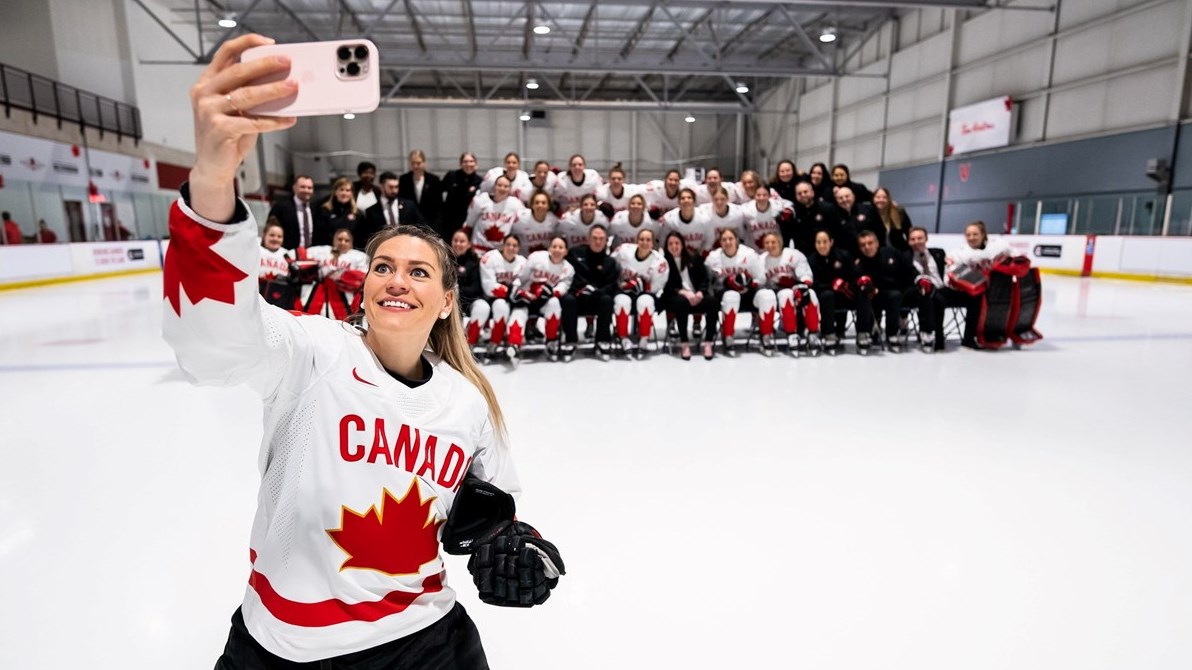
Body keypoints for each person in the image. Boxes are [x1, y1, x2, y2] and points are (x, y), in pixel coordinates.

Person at [170, 35, 561, 669]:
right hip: (283, 649)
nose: (397, 280)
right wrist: (213, 181)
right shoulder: (312, 353)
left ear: (445, 302)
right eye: (383, 266)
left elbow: (493, 507)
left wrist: (514, 543)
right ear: (365, 285)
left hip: (424, 641)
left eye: (418, 272)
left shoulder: (466, 403)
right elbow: (212, 345)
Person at [705, 227, 775, 357]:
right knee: (731, 295)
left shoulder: (749, 254)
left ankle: (766, 335)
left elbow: (761, 278)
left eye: (730, 239)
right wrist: (725, 282)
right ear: (720, 242)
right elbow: (708, 282)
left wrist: (750, 282)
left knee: (768, 295)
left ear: (736, 240)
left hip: (748, 293)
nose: (728, 242)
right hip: (726, 295)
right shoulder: (713, 257)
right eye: (724, 240)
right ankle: (728, 336)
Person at [945, 220, 1012, 349]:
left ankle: (996, 333)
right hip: (968, 292)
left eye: (975, 234)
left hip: (993, 292)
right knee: (975, 299)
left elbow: (1014, 255)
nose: (971, 237)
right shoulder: (959, 253)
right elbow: (951, 275)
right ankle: (970, 337)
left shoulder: (998, 246)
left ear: (983, 234)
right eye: (968, 235)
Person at [808, 230, 873, 355]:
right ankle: (829, 334)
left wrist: (860, 281)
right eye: (818, 242)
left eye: (825, 242)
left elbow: (854, 274)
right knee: (827, 295)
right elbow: (813, 284)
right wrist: (831, 285)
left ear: (831, 242)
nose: (822, 245)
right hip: (826, 299)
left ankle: (863, 332)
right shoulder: (812, 260)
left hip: (846, 294)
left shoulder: (843, 255)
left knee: (863, 293)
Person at [561, 225, 619, 362]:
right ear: (588, 239)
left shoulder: (610, 262)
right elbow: (565, 273)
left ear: (606, 241)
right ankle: (570, 341)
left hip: (598, 299)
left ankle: (602, 341)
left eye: (601, 239)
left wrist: (599, 292)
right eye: (594, 238)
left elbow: (612, 285)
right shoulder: (575, 253)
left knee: (607, 300)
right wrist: (578, 289)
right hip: (578, 297)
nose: (598, 242)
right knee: (568, 299)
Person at [853, 229, 918, 352]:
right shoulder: (857, 262)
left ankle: (892, 333)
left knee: (895, 295)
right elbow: (853, 281)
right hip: (867, 296)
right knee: (862, 294)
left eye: (870, 243)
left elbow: (909, 271)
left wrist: (920, 279)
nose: (867, 247)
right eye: (863, 245)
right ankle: (862, 333)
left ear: (877, 243)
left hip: (888, 293)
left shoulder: (892, 253)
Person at [760, 231, 822, 356]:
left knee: (811, 294)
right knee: (785, 294)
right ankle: (791, 334)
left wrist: (799, 285)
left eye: (773, 242)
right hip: (775, 293)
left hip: (796, 288)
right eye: (767, 243)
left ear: (780, 242)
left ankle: (813, 333)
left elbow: (805, 274)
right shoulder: (761, 260)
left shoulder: (794, 255)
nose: (770, 245)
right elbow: (760, 282)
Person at [611, 228, 669, 359]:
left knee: (645, 302)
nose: (644, 242)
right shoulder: (624, 251)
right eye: (642, 239)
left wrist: (640, 285)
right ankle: (623, 339)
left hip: (645, 293)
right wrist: (619, 284)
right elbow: (610, 264)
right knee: (622, 301)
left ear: (653, 243)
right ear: (637, 241)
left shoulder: (660, 262)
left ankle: (644, 339)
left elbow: (657, 287)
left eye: (648, 240)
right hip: (624, 291)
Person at [516, 236, 575, 362]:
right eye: (554, 246)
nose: (557, 250)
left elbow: (564, 286)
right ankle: (513, 342)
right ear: (549, 248)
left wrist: (551, 292)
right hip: (527, 298)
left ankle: (551, 340)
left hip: (545, 301)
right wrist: (520, 291)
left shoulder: (568, 269)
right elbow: (522, 277)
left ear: (566, 251)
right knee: (517, 310)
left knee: (554, 303)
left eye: (561, 247)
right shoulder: (536, 258)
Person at [660, 231, 717, 360]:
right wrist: (684, 293)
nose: (674, 246)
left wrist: (700, 292)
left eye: (677, 243)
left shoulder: (694, 258)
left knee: (712, 302)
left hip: (696, 295)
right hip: (675, 297)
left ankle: (708, 342)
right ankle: (684, 343)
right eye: (670, 244)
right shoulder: (664, 262)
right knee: (682, 302)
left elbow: (704, 279)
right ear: (666, 246)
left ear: (682, 244)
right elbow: (666, 286)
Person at [473, 234, 527, 359]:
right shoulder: (490, 258)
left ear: (519, 248)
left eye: (515, 245)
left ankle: (511, 343)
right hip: (491, 298)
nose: (511, 248)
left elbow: (525, 284)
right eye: (508, 245)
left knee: (520, 311)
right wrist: (511, 291)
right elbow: (489, 287)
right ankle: (473, 342)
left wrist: (517, 292)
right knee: (499, 306)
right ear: (503, 246)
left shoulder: (523, 262)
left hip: (514, 300)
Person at [302, 228, 370, 319]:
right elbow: (301, 257)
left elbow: (364, 277)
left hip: (345, 296)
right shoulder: (321, 251)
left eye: (346, 240)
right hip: (318, 293)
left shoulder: (359, 256)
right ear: (334, 240)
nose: (342, 242)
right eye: (339, 239)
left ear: (351, 243)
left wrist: (343, 276)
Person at [357, 171, 425, 250]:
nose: (394, 190)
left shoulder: (409, 206)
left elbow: (422, 226)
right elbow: (368, 236)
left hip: (408, 247)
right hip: (384, 248)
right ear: (382, 187)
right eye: (391, 187)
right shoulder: (371, 211)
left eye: (396, 187)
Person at [906, 226, 947, 352]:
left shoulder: (939, 253)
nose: (916, 241)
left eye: (919, 238)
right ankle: (935, 335)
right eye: (913, 239)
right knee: (934, 298)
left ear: (926, 239)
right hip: (920, 292)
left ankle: (928, 333)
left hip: (941, 288)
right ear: (908, 241)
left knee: (938, 297)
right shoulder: (906, 257)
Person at [466, 174, 526, 255]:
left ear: (510, 189)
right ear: (494, 186)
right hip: (479, 249)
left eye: (506, 186)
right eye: (499, 185)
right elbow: (469, 223)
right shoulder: (481, 200)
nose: (502, 188)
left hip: (501, 252)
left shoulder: (515, 204)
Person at [268, 175, 329, 250]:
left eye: (309, 188)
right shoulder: (281, 207)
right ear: (294, 188)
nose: (306, 190)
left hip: (311, 253)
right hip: (288, 252)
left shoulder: (316, 209)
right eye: (302, 187)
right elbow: (270, 228)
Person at [788, 180, 839, 255]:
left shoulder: (827, 208)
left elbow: (837, 232)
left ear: (812, 192)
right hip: (806, 255)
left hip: (829, 252)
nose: (803, 195)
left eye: (805, 192)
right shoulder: (794, 213)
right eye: (799, 193)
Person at [440, 152, 484, 240]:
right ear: (460, 164)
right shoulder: (451, 176)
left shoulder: (479, 181)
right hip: (449, 222)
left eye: (471, 161)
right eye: (465, 161)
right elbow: (438, 192)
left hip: (468, 222)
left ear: (476, 164)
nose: (468, 164)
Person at [660, 187, 714, 257]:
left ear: (694, 202)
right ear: (678, 202)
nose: (686, 200)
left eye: (689, 198)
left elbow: (710, 240)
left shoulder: (705, 218)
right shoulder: (669, 219)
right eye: (683, 198)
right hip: (676, 256)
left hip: (699, 256)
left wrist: (702, 255)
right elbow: (663, 241)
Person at [399, 149, 443, 231]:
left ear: (424, 162)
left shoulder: (434, 180)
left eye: (418, 163)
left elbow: (438, 205)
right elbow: (402, 200)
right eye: (413, 163)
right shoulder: (404, 179)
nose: (415, 166)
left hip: (429, 222)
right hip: (410, 223)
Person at [740, 183, 791, 252]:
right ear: (754, 196)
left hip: (775, 250)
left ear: (769, 196)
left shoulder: (777, 206)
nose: (761, 198)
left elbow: (790, 205)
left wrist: (788, 212)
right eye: (758, 195)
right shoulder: (746, 209)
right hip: (753, 250)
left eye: (764, 195)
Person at [834, 186, 882, 256]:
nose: (844, 199)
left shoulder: (868, 209)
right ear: (836, 200)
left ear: (853, 196)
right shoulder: (834, 215)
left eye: (847, 196)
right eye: (840, 198)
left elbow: (880, 230)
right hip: (849, 256)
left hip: (872, 253)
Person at [258, 219, 294, 309]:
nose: (275, 239)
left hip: (279, 301)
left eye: (279, 236)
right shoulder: (256, 250)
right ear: (264, 235)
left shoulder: (288, 255)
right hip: (256, 297)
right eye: (272, 235)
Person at [699, 186, 746, 251]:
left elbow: (741, 235)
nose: (719, 202)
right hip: (711, 249)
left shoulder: (737, 212)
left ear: (727, 199)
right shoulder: (704, 211)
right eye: (716, 199)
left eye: (722, 199)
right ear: (712, 199)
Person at [451, 230, 482, 317]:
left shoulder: (473, 265)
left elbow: (475, 289)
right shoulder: (445, 261)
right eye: (455, 240)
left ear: (469, 244)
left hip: (464, 306)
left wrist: (457, 290)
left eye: (462, 241)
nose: (458, 244)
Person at [872, 187, 910, 252]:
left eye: (884, 197)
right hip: (880, 252)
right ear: (873, 199)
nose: (881, 200)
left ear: (889, 199)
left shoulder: (899, 212)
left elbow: (909, 232)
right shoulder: (869, 213)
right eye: (878, 197)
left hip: (899, 250)